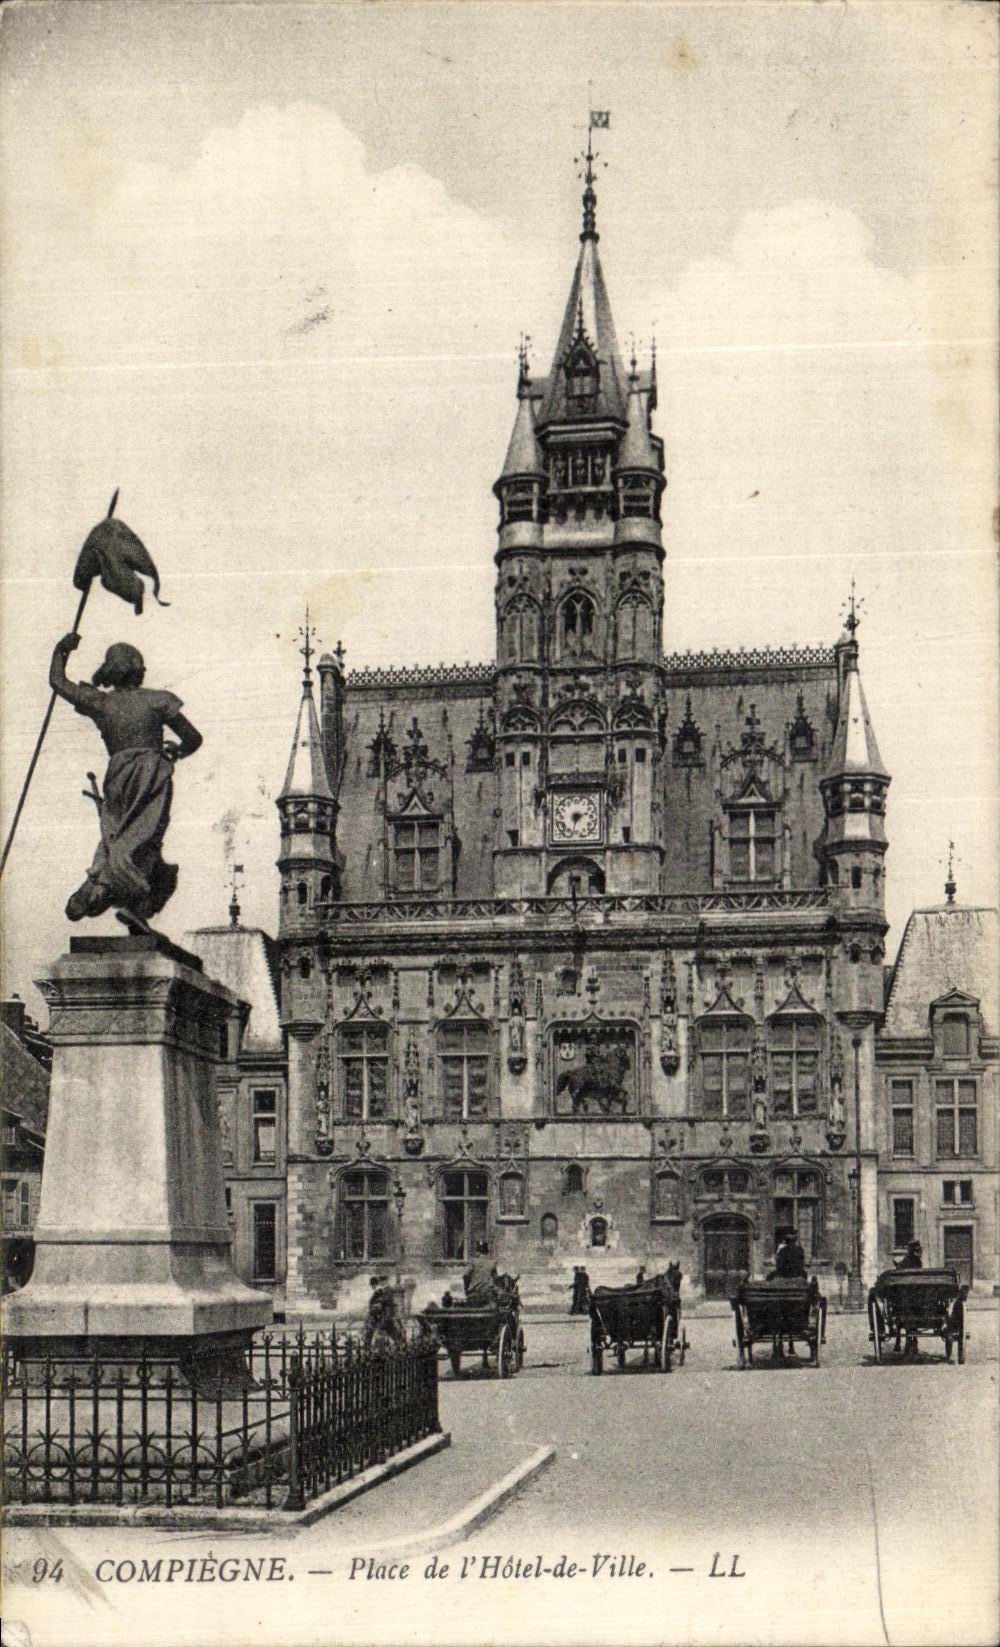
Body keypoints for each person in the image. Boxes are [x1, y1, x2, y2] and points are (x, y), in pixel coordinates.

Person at [49, 633, 202, 924]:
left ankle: (100, 885)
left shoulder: (101, 703)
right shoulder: (158, 700)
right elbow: (194, 738)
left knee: (115, 836)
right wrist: (178, 751)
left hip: (117, 777)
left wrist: (61, 650)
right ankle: (131, 901)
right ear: (139, 669)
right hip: (151, 774)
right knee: (145, 839)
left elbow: (58, 682)